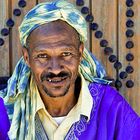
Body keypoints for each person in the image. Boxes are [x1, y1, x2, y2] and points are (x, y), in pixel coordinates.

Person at [0, 0, 140, 139]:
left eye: (66, 54)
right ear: (27, 57)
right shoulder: (5, 112)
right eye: (42, 56)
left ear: (80, 53)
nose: (55, 69)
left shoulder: (110, 107)